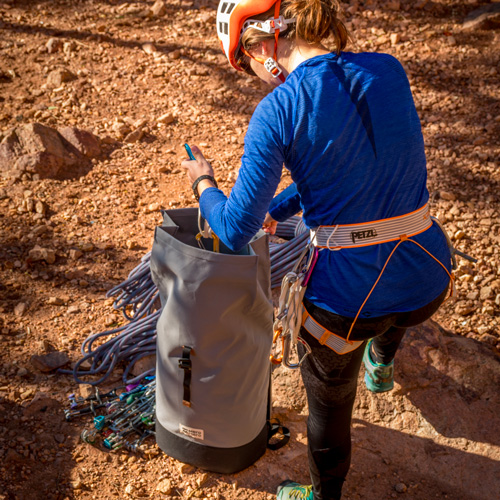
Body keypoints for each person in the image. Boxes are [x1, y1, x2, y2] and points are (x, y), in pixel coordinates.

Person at [180, 1, 453, 498]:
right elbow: (351, 172)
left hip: (348, 302)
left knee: (329, 399)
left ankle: (322, 495)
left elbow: (234, 230)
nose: (256, 78)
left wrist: (205, 185)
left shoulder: (278, 110)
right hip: (431, 273)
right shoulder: (388, 69)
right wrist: (281, 208)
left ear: (262, 46)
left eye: (246, 65)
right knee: (396, 308)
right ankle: (383, 364)